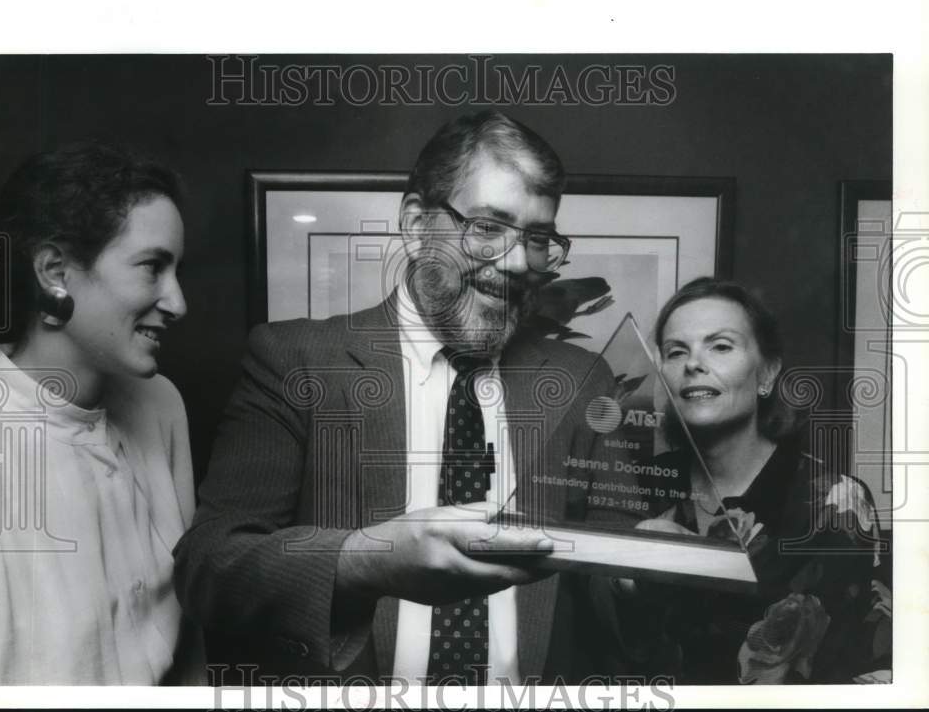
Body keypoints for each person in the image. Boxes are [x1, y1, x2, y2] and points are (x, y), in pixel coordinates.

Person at [174, 110, 621, 685]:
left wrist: (653, 567)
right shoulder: (296, 361)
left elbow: (615, 584)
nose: (515, 263)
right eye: (487, 227)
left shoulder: (582, 380)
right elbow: (211, 566)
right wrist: (367, 560)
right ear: (414, 225)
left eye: (537, 239)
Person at [0, 143, 204, 684]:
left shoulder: (161, 406)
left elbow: (191, 635)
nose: (178, 302)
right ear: (53, 272)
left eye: (177, 270)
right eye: (152, 267)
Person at [621, 277, 885, 684]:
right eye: (676, 352)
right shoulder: (636, 487)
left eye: (721, 346)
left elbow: (860, 667)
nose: (693, 364)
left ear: (767, 374)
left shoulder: (835, 502)